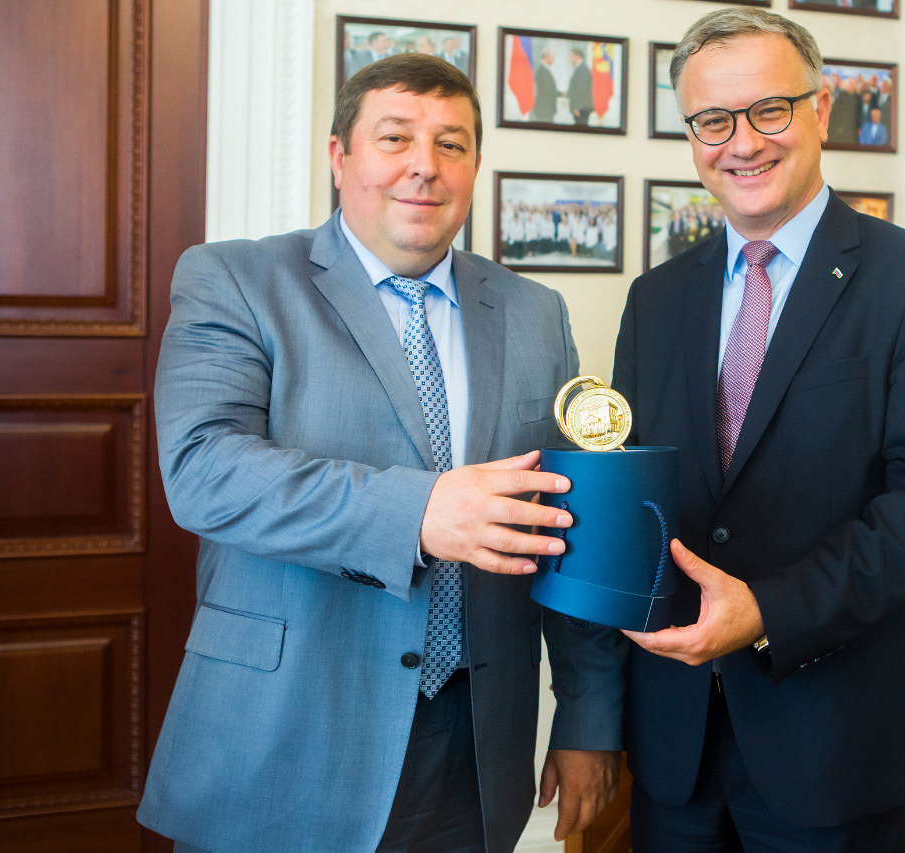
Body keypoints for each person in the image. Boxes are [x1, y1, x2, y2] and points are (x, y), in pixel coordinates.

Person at [137, 54, 624, 853]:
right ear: (340, 156)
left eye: (451, 144)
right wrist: (421, 511)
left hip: (474, 746)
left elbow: (575, 526)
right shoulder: (236, 278)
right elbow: (204, 470)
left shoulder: (537, 311)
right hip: (287, 735)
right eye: (395, 137)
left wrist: (588, 718)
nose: (423, 166)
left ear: (474, 166)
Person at [612, 8, 905, 852]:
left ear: (820, 109)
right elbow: (638, 492)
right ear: (691, 135)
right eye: (713, 120)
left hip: (838, 740)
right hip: (675, 741)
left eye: (769, 109)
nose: (742, 142)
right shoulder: (655, 299)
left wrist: (766, 609)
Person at [567, 47, 594, 126]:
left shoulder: (582, 69)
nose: (570, 59)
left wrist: (577, 107)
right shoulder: (580, 68)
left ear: (578, 56)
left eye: (572, 57)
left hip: (581, 109)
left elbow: (581, 89)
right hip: (581, 108)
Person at [533, 48, 560, 124]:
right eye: (552, 58)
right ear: (546, 57)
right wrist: (561, 94)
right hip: (544, 108)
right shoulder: (542, 70)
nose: (553, 60)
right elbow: (548, 90)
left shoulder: (544, 69)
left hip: (546, 108)